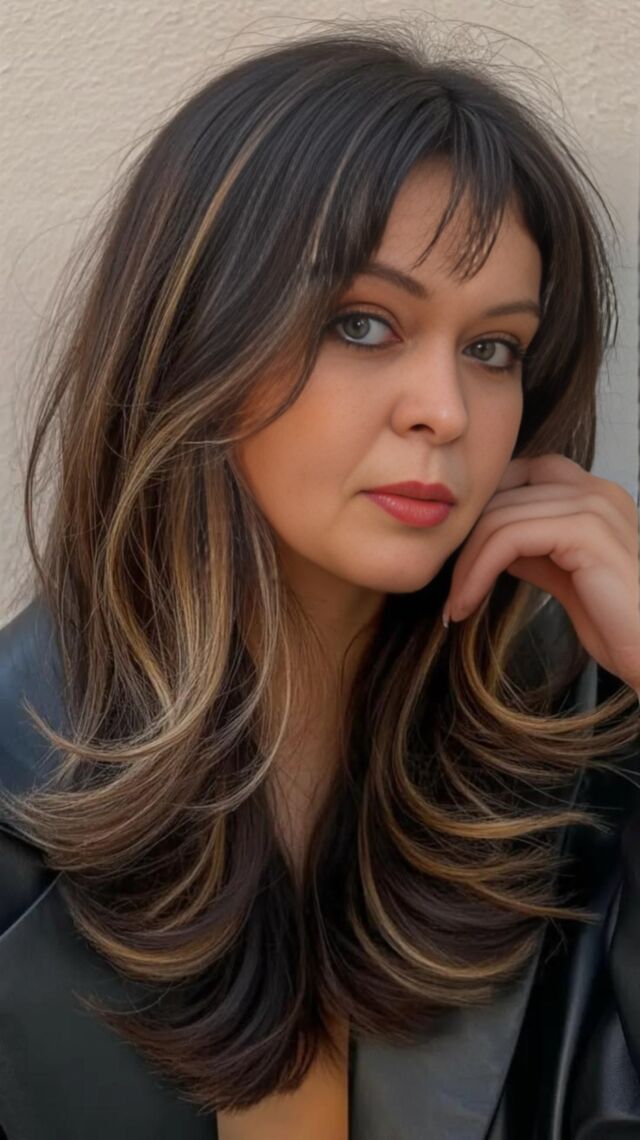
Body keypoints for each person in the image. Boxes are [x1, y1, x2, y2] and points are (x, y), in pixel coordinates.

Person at [0, 21, 639, 1140]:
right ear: (193, 340)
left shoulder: (576, 743)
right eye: (363, 323)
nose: (445, 410)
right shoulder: (19, 786)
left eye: (492, 348)